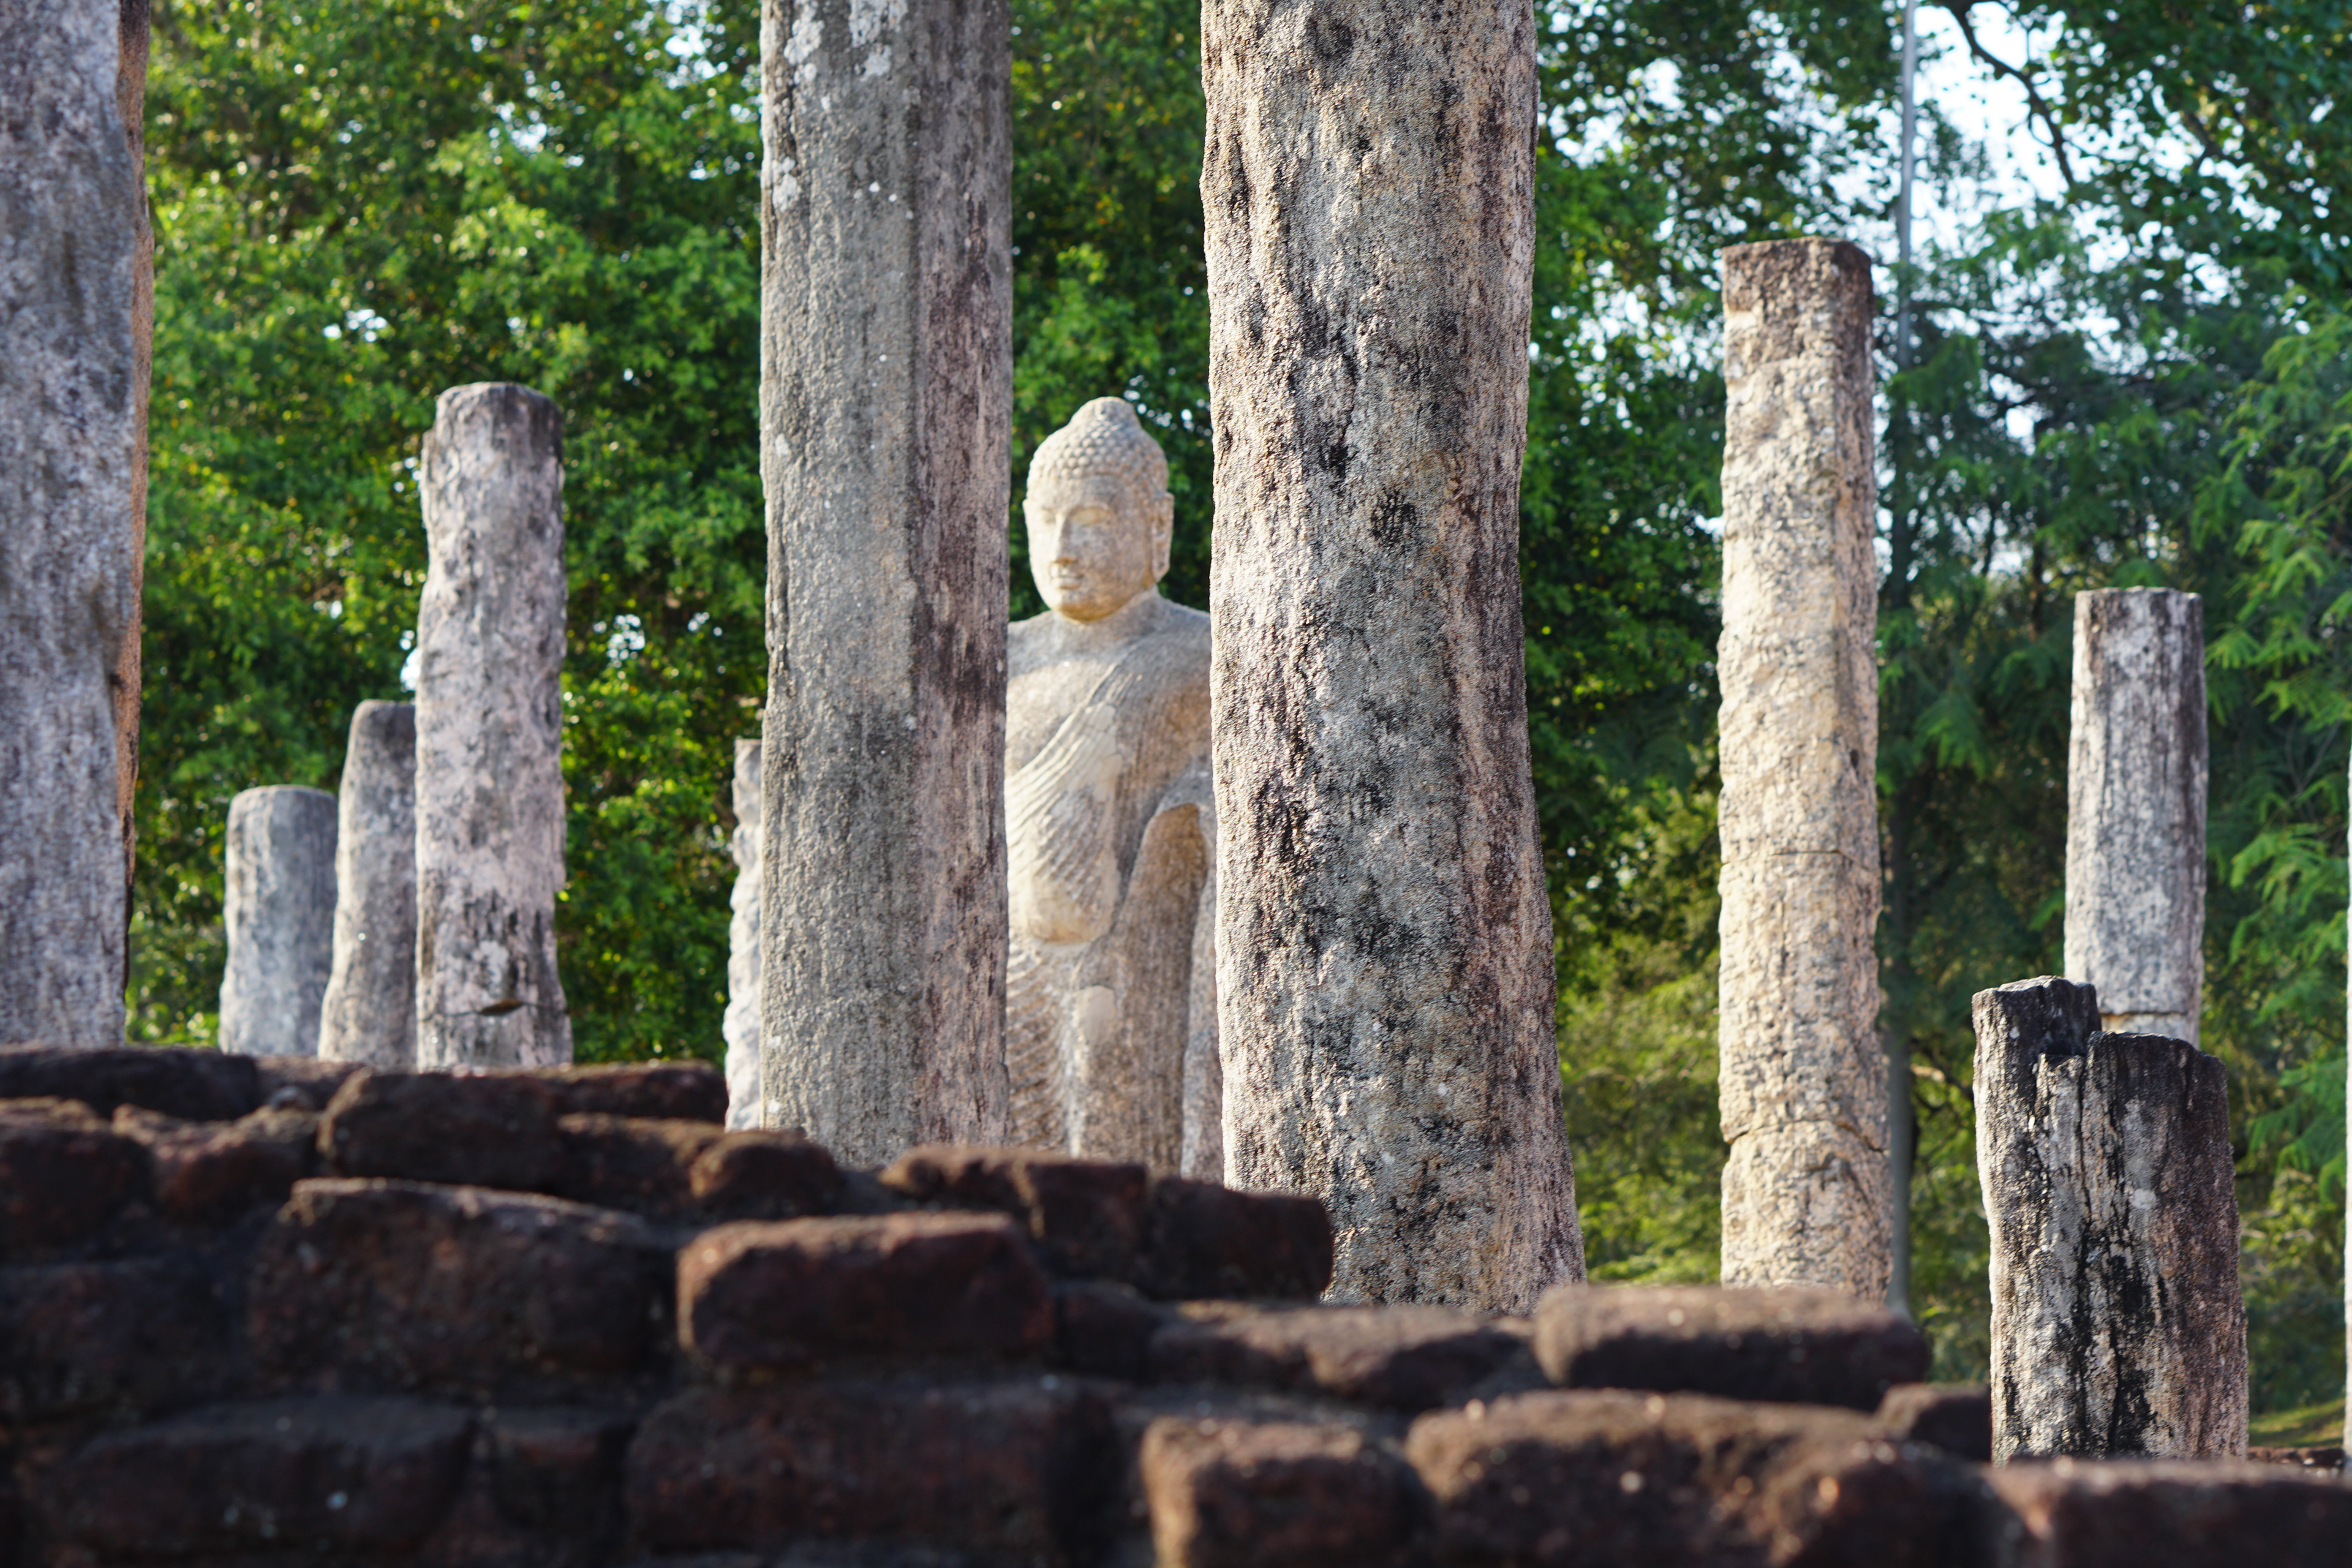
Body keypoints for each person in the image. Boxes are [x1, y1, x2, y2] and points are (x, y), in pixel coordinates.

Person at [1005, 397, 1218, 1175]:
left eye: (1092, 518)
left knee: (1124, 1167)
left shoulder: (1200, 654)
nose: (1063, 547)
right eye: (1046, 520)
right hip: (1009, 970)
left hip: (1136, 975)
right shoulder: (997, 660)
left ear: (1157, 529)